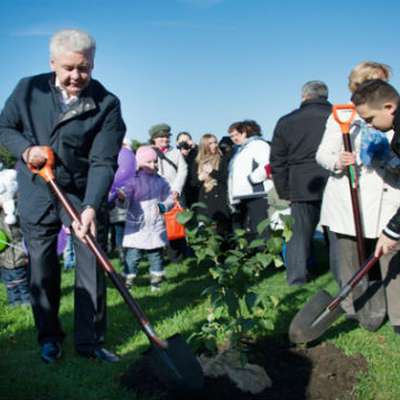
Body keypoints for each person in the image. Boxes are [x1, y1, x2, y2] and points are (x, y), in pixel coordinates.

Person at [0, 29, 126, 362]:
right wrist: (26, 151)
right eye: (68, 68)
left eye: (83, 68)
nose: (76, 76)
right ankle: (48, 337)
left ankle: (91, 342)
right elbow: (4, 127)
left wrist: (90, 207)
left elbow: (103, 160)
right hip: (37, 189)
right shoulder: (28, 89)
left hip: (82, 191)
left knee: (91, 260)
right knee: (42, 265)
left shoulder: (107, 104)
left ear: (93, 64)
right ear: (53, 62)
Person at [317, 64, 400, 333]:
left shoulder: (387, 111)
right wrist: (338, 160)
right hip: (351, 195)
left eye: (382, 82)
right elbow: (322, 154)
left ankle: (397, 313)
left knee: (392, 255)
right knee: (350, 257)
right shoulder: (342, 116)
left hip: (389, 192)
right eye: (371, 81)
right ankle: (354, 308)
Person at [270, 81, 331, 285]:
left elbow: (278, 160)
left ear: (304, 97)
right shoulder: (337, 116)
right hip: (334, 178)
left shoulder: (287, 121)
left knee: (299, 235)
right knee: (339, 231)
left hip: (301, 182)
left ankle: (297, 277)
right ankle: (345, 273)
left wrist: (284, 190)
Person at [121, 146, 173, 291]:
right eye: (149, 162)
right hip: (137, 225)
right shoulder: (133, 180)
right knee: (133, 256)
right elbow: (126, 199)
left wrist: (164, 206)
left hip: (155, 225)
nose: (153, 165)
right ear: (140, 163)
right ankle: (128, 281)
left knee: (156, 255)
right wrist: (122, 197)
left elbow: (169, 197)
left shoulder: (161, 180)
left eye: (155, 161)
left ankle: (156, 282)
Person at [227, 120, 273, 242]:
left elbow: (267, 165)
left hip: (257, 195)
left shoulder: (259, 144)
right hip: (244, 196)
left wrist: (252, 180)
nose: (234, 138)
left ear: (245, 132)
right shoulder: (242, 149)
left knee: (262, 232)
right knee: (252, 233)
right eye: (231, 136)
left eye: (237, 134)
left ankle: (266, 259)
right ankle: (255, 259)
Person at [149, 123, 189, 261]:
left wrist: (176, 189)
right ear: (154, 138)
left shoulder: (175, 152)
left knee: (176, 224)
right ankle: (158, 257)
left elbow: (183, 170)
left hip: (173, 194)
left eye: (166, 137)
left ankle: (177, 256)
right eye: (161, 137)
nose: (165, 139)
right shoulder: (148, 152)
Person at [192, 133, 231, 235]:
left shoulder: (223, 159)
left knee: (221, 235)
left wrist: (212, 171)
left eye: (215, 142)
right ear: (204, 146)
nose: (214, 145)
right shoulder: (197, 162)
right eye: (210, 143)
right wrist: (199, 178)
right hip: (204, 202)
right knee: (205, 235)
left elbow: (226, 179)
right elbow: (193, 184)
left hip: (219, 202)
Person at [176, 131, 199, 207]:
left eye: (187, 141)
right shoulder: (173, 155)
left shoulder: (196, 154)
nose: (184, 143)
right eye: (182, 141)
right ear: (177, 143)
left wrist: (195, 147)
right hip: (180, 195)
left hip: (196, 194)